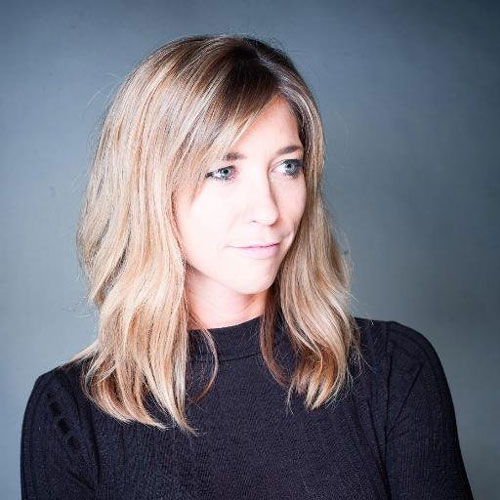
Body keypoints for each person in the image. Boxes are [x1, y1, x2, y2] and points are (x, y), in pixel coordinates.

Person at [20, 34, 474, 499]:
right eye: (223, 171)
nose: (268, 210)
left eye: (287, 166)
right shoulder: (70, 414)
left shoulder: (393, 369)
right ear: (148, 190)